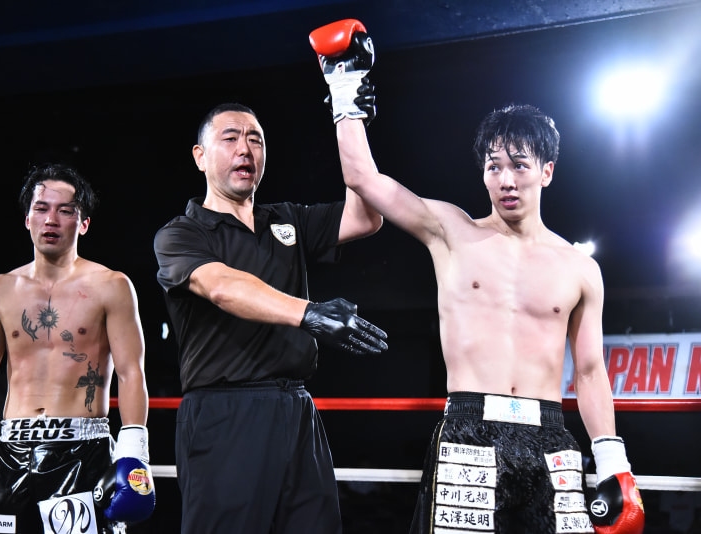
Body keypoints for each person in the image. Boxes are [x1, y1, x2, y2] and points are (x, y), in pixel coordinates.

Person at [309, 19, 645, 534]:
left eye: (519, 165)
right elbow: (363, 178)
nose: (506, 179)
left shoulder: (580, 268)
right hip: (468, 428)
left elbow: (591, 371)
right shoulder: (450, 231)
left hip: (550, 437)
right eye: (493, 166)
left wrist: (613, 462)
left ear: (547, 171)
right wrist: (344, 91)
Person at [153, 102, 389, 534]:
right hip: (225, 413)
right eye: (230, 138)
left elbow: (366, 216)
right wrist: (310, 313)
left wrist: (348, 118)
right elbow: (222, 286)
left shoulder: (287, 219)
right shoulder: (181, 233)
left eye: (255, 139)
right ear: (200, 156)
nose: (245, 148)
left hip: (297, 408)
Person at [0, 164, 155, 534]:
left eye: (65, 210)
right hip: (11, 455)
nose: (51, 219)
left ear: (83, 223)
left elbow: (132, 373)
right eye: (41, 208)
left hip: (82, 452)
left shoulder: (111, 286)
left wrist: (134, 455)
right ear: (27, 219)